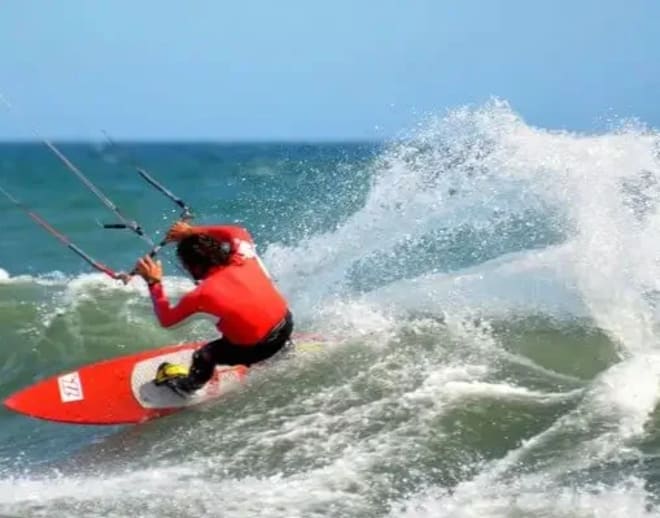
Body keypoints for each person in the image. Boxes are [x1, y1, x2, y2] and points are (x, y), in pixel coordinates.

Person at [134, 221, 293, 395]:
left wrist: (154, 283)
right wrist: (191, 231)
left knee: (204, 356)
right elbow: (237, 231)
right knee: (245, 318)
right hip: (286, 326)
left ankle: (187, 387)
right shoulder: (244, 257)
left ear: (194, 267)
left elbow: (167, 320)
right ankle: (285, 348)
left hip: (258, 350)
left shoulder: (202, 295)